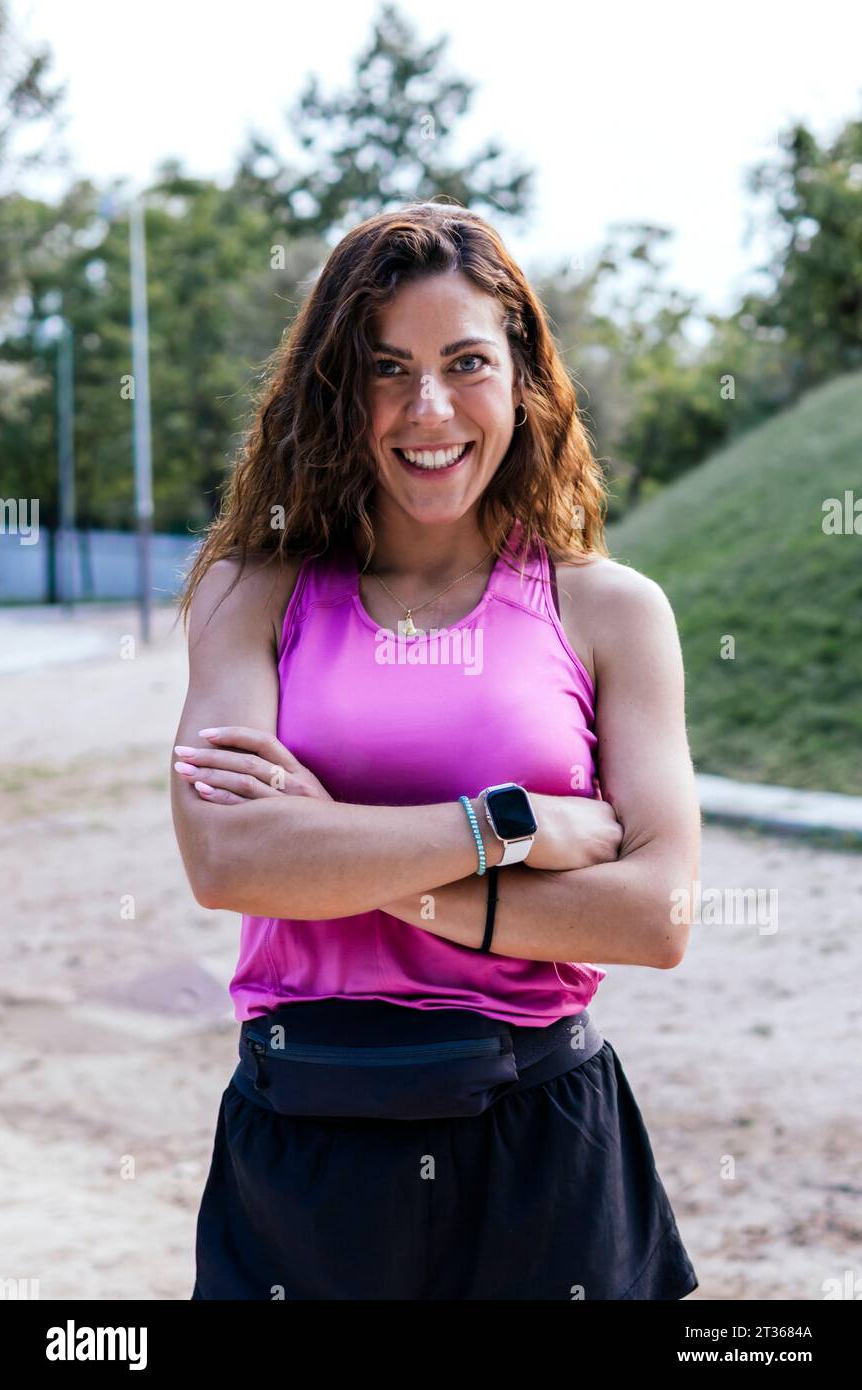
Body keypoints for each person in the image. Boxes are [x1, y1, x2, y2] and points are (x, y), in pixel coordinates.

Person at [170, 200, 701, 1301]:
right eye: (384, 368)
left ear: (521, 378)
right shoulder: (248, 592)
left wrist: (348, 858)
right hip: (306, 1145)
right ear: (334, 390)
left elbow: (655, 915)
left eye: (464, 361)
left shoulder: (609, 611)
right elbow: (228, 863)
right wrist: (511, 828)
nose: (427, 408)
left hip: (540, 1152)